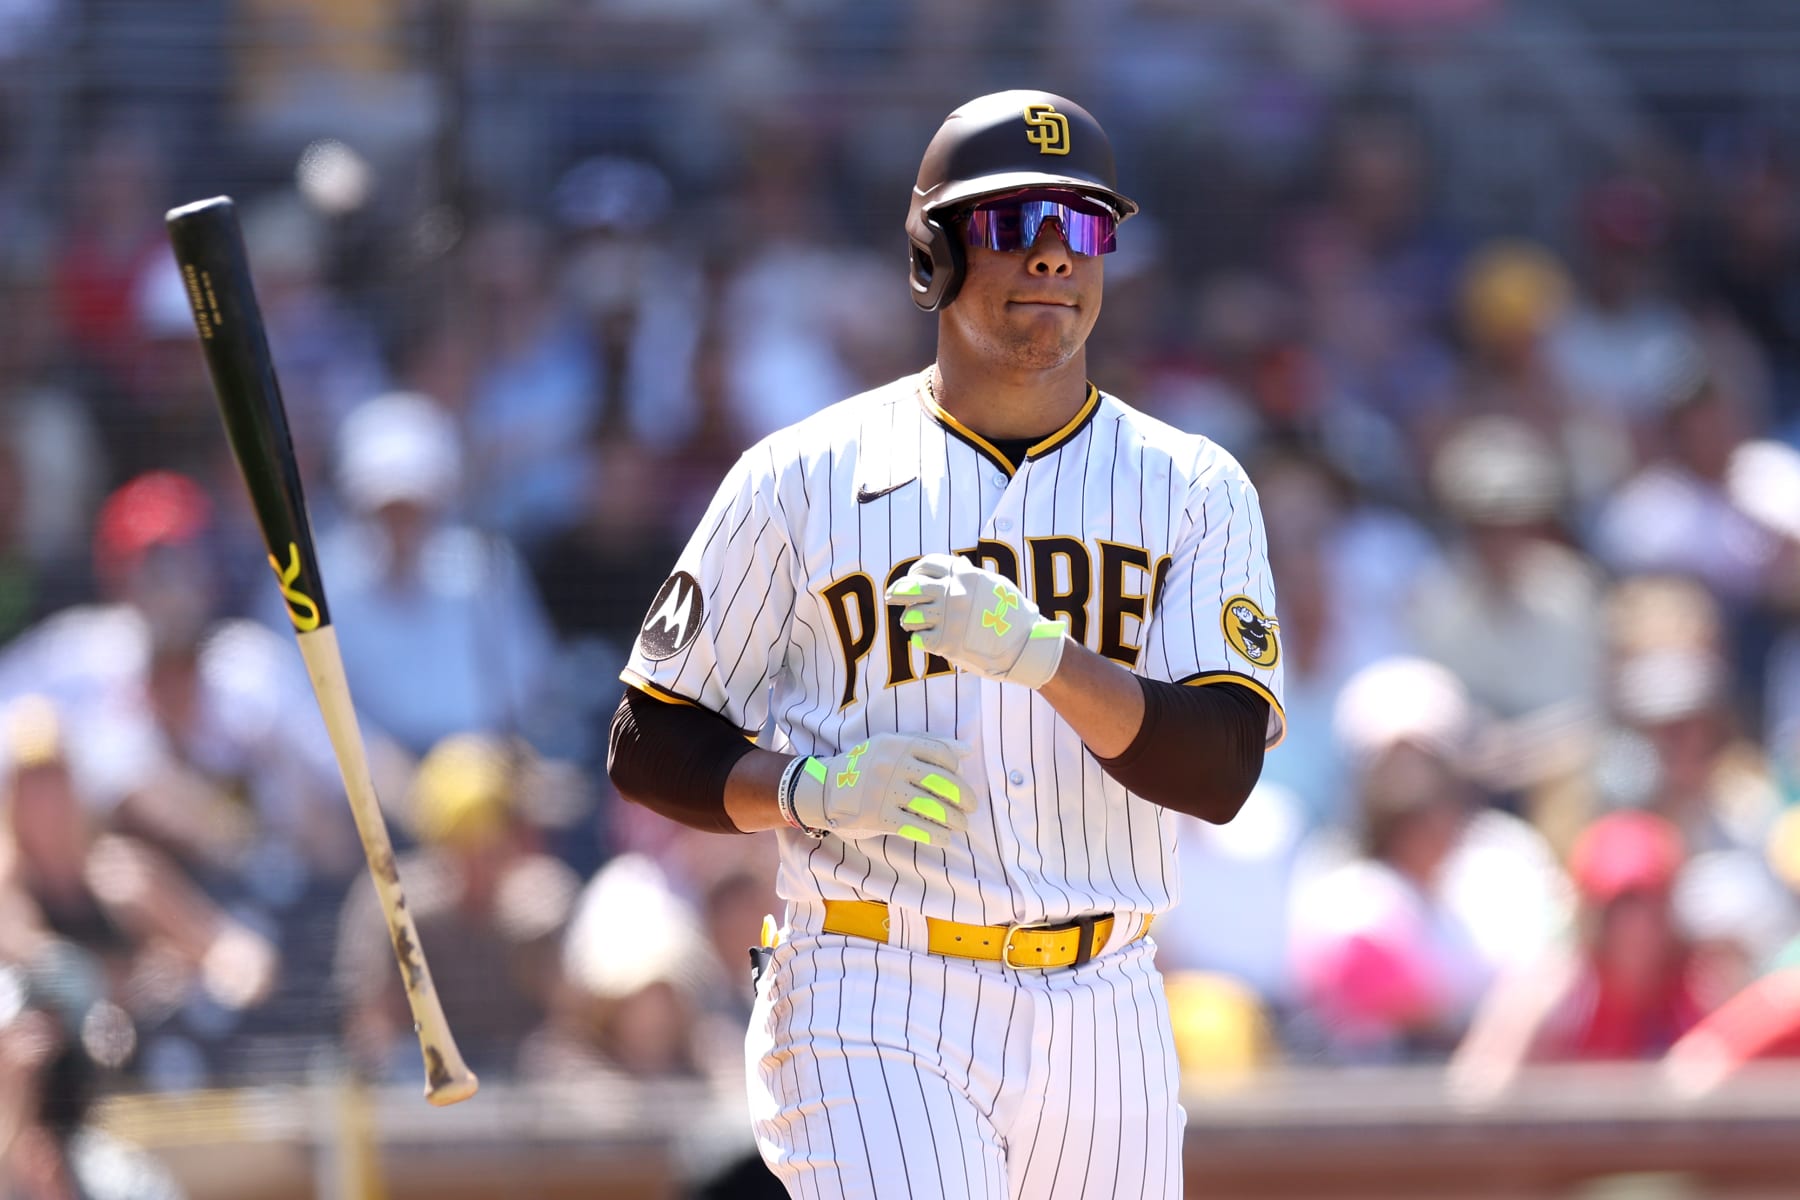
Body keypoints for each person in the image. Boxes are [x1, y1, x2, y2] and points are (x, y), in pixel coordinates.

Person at [607, 90, 1284, 1198]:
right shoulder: (802, 476)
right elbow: (648, 738)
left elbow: (1218, 769)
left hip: (1105, 989)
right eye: (1016, 223)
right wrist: (808, 791)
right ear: (934, 253)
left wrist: (1044, 659)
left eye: (1085, 226)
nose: (1056, 257)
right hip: (874, 978)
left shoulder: (1191, 486)